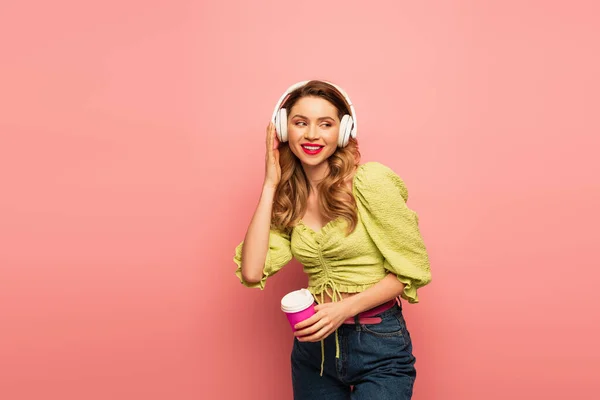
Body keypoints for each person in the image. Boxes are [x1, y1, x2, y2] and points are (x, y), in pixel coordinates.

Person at [233, 79, 432, 400]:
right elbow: (252, 272)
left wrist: (343, 309)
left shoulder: (371, 181)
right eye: (300, 123)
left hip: (377, 342)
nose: (312, 134)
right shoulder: (289, 197)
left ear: (343, 131)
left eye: (325, 124)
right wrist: (270, 184)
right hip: (313, 351)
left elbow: (411, 271)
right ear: (284, 131)